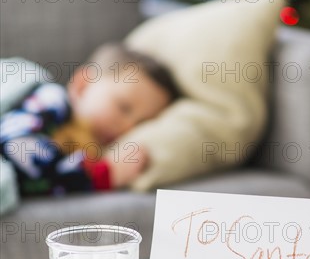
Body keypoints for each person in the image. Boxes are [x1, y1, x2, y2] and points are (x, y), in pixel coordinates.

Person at [0, 44, 180, 195]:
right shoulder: (52, 100)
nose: (128, 127)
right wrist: (97, 177)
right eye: (123, 107)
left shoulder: (90, 149)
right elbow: (15, 145)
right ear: (82, 85)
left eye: (141, 124)